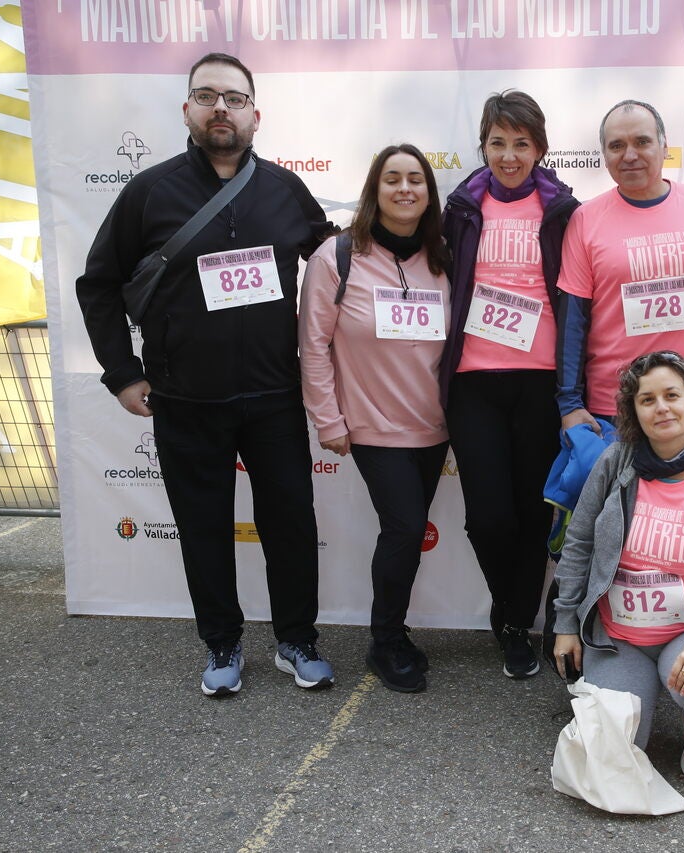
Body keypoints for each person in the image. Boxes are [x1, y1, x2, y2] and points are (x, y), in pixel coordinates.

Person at [75, 53, 334, 696]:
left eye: (235, 98)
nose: (222, 107)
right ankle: (222, 645)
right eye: (207, 95)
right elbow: (99, 284)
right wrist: (122, 373)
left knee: (292, 525)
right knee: (204, 527)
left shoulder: (284, 190)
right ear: (188, 110)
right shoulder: (149, 193)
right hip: (186, 399)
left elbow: (335, 263)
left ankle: (296, 641)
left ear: (255, 114)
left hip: (276, 395)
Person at [551, 351, 684, 783]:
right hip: (618, 637)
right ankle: (635, 693)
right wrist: (566, 623)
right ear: (634, 412)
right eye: (647, 400)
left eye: (671, 395)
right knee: (616, 757)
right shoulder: (612, 466)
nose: (661, 407)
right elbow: (580, 543)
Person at [299, 143, 451, 694]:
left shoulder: (444, 257)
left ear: (429, 193)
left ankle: (396, 632)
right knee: (405, 527)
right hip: (371, 425)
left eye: (416, 179)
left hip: (434, 426)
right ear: (375, 189)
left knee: (406, 534)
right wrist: (328, 419)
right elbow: (313, 345)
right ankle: (384, 640)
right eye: (393, 178)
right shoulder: (336, 257)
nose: (405, 188)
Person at [441, 91, 580, 679]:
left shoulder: (564, 211)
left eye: (521, 144)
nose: (509, 155)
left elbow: (579, 297)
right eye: (498, 143)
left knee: (530, 513)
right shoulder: (461, 207)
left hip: (540, 380)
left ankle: (515, 624)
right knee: (488, 518)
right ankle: (511, 609)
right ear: (483, 146)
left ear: (541, 149)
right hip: (474, 379)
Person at [556, 100, 684, 441]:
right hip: (614, 409)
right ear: (604, 154)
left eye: (642, 141)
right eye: (617, 146)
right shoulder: (585, 219)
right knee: (621, 498)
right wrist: (570, 402)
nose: (630, 155)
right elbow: (573, 320)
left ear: (663, 145)